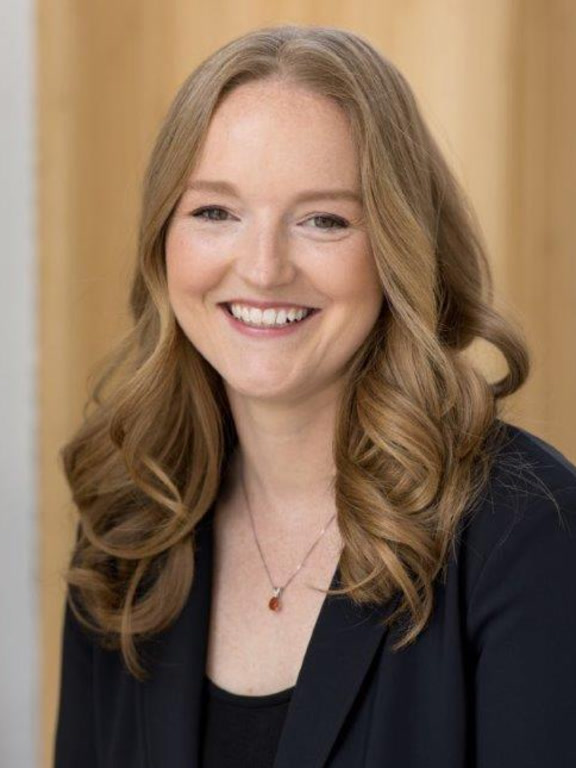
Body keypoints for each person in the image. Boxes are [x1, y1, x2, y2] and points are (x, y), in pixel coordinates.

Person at [53, 23, 576, 768]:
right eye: (215, 212)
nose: (264, 269)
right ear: (163, 240)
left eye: (323, 219)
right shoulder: (130, 518)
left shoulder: (528, 532)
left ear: (399, 246)